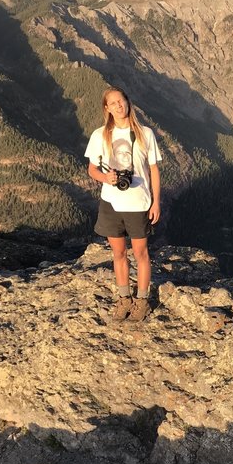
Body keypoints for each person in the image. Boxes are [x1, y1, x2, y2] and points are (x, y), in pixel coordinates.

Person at [84, 86, 162, 321]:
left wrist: (156, 202)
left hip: (139, 202)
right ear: (106, 109)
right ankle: (123, 298)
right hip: (111, 203)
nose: (119, 106)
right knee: (118, 253)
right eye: (113, 103)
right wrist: (105, 178)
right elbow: (91, 169)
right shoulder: (100, 135)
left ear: (128, 103)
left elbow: (154, 170)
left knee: (140, 253)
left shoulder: (144, 133)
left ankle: (142, 301)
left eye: (121, 101)